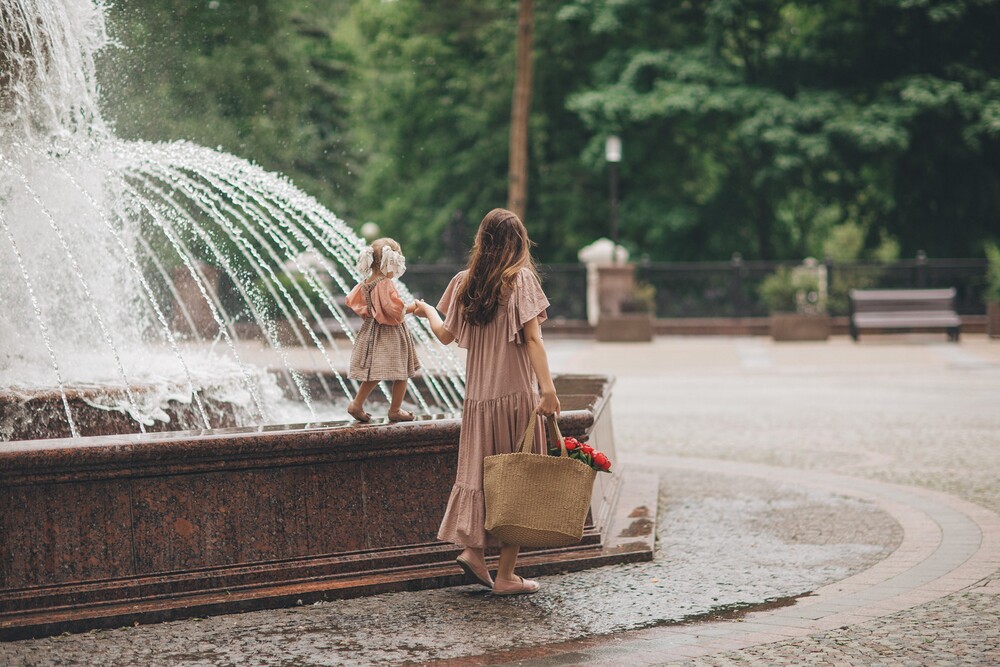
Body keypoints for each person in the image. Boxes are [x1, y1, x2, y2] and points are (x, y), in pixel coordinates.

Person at [414, 208, 559, 596]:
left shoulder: (464, 282)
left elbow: (445, 335)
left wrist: (426, 308)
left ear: (483, 241)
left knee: (481, 477)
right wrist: (547, 388)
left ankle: (474, 553)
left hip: (478, 401)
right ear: (517, 243)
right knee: (517, 481)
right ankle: (507, 576)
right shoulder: (520, 280)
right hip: (514, 397)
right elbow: (533, 339)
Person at [346, 237, 420, 422]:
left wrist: (369, 313)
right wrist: (414, 307)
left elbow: (353, 300)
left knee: (374, 372)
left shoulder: (366, 282)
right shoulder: (385, 283)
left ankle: (356, 404)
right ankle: (395, 410)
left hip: (372, 329)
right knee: (402, 371)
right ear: (389, 262)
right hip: (389, 332)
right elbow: (394, 309)